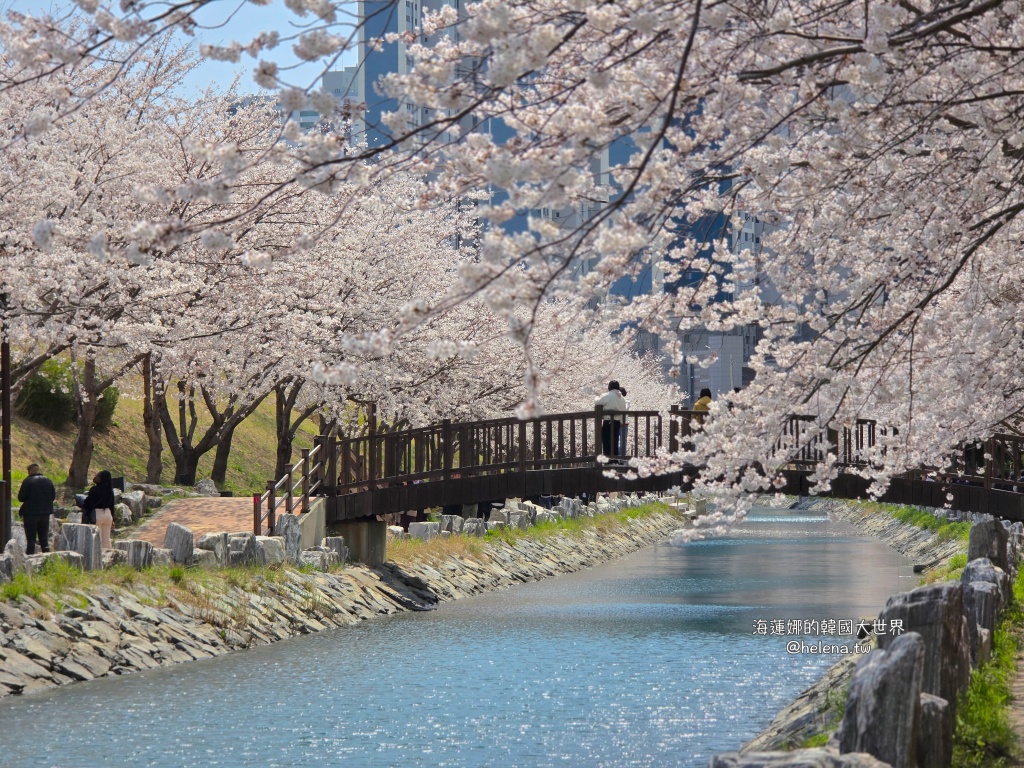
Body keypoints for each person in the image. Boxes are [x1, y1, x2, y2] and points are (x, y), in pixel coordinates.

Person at [17, 463, 56, 555]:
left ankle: (29, 560)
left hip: (30, 514)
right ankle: (47, 559)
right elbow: (53, 497)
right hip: (45, 514)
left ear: (30, 471)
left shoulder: (27, 481)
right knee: (44, 539)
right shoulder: (48, 481)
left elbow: (21, 498)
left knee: (31, 540)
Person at [82, 469, 116, 548]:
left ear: (101, 478)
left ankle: (98, 558)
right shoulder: (110, 491)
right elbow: (112, 506)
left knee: (98, 540)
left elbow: (89, 504)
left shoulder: (94, 489)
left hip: (97, 514)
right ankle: (109, 556)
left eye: (97, 476)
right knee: (107, 540)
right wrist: (113, 519)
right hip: (108, 515)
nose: (95, 477)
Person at [595, 380, 628, 458]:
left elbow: (598, 402)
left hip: (608, 421)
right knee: (615, 441)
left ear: (609, 387)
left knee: (606, 440)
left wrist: (596, 397)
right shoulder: (622, 398)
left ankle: (607, 459)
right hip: (617, 422)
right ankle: (614, 459)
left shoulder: (607, 395)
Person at [618, 387, 631, 456]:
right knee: (616, 442)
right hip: (618, 424)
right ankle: (618, 457)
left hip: (623, 424)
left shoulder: (626, 401)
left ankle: (621, 457)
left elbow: (624, 409)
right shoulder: (617, 401)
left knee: (623, 442)